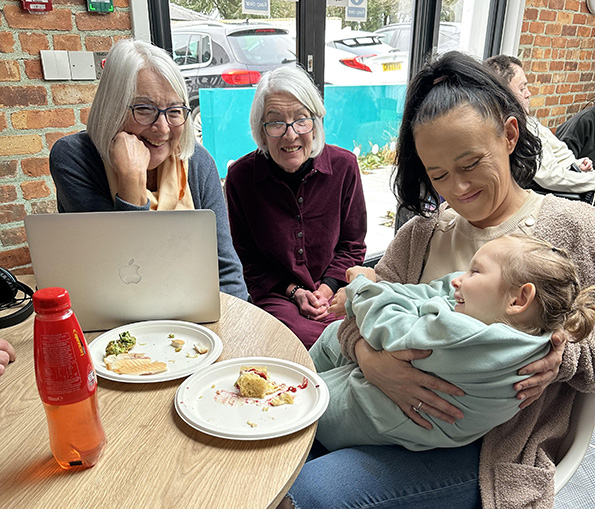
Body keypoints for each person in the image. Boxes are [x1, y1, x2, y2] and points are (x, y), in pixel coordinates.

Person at [279, 51, 595, 509]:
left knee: (308, 494)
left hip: (483, 447)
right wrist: (370, 359)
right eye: (439, 174)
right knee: (266, 444)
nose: (458, 189)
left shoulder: (573, 228)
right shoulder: (422, 234)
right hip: (373, 405)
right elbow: (355, 309)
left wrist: (561, 361)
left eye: (469, 165)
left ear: (509, 135)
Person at [312, 234, 595, 452]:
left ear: (518, 299)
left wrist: (362, 287)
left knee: (303, 399)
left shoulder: (458, 335)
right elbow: (441, 290)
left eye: (475, 272)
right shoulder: (538, 334)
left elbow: (387, 326)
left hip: (369, 413)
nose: (460, 279)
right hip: (436, 429)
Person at [49, 39, 248, 300]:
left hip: (194, 316)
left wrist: (235, 326)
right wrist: (131, 180)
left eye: (174, 111)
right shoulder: (74, 157)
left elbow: (227, 270)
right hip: (112, 316)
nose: (163, 128)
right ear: (112, 108)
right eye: (144, 109)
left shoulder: (198, 162)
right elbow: (117, 271)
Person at [225, 65, 367, 348]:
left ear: (315, 124)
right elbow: (248, 261)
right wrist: (297, 293)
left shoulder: (344, 167)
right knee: (298, 341)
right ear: (261, 132)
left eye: (302, 119)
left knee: (370, 331)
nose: (290, 135)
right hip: (278, 297)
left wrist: (325, 291)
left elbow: (353, 245)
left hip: (335, 292)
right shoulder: (241, 177)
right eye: (276, 122)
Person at [485, 55, 595, 197]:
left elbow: (559, 153)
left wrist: (577, 164)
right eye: (522, 88)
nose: (528, 93)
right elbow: (550, 178)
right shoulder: (515, 132)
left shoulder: (530, 122)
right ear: (503, 94)